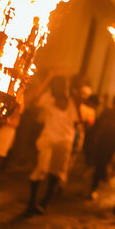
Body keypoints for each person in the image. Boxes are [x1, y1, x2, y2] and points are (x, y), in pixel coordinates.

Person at [24, 71, 81, 216]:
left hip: (65, 141)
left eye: (62, 85)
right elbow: (34, 98)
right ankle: (31, 202)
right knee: (41, 169)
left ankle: (44, 202)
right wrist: (48, 77)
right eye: (55, 85)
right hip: (48, 139)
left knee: (56, 173)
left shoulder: (72, 101)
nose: (59, 88)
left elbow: (77, 121)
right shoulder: (47, 98)